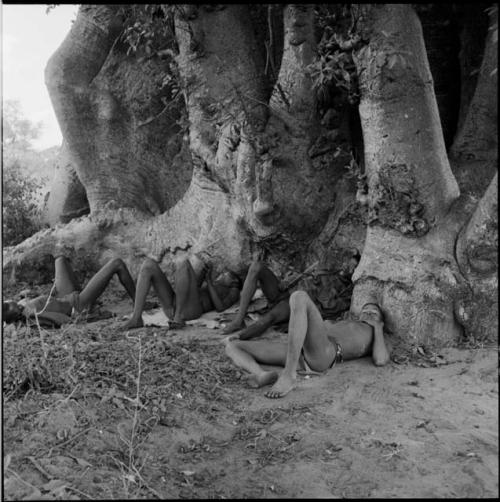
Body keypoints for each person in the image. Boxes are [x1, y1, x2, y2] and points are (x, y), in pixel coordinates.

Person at [224, 290, 391, 398]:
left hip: (324, 353)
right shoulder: (346, 323)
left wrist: (377, 327)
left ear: (381, 319)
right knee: (234, 346)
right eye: (366, 311)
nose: (368, 313)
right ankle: (260, 374)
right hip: (300, 352)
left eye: (373, 312)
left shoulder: (373, 331)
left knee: (299, 297)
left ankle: (289, 375)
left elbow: (381, 360)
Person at [3, 255, 136, 327]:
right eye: (7, 305)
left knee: (60, 260)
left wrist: (37, 296)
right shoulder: (30, 316)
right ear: (12, 314)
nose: (8, 301)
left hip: (64, 296)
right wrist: (76, 318)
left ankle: (88, 291)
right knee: (117, 263)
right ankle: (138, 302)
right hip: (77, 305)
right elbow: (61, 320)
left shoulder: (20, 305)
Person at [123, 256, 241, 330]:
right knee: (149, 265)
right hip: (175, 305)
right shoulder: (217, 284)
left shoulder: (234, 290)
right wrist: (202, 275)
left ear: (234, 281)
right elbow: (194, 289)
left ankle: (178, 317)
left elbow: (220, 308)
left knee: (185, 264)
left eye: (227, 274)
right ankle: (136, 317)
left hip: (189, 312)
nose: (223, 273)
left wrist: (209, 281)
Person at [221, 260, 291, 340]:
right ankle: (238, 321)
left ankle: (241, 335)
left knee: (269, 317)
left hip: (294, 298)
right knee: (256, 266)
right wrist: (288, 278)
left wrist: (239, 337)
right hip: (283, 290)